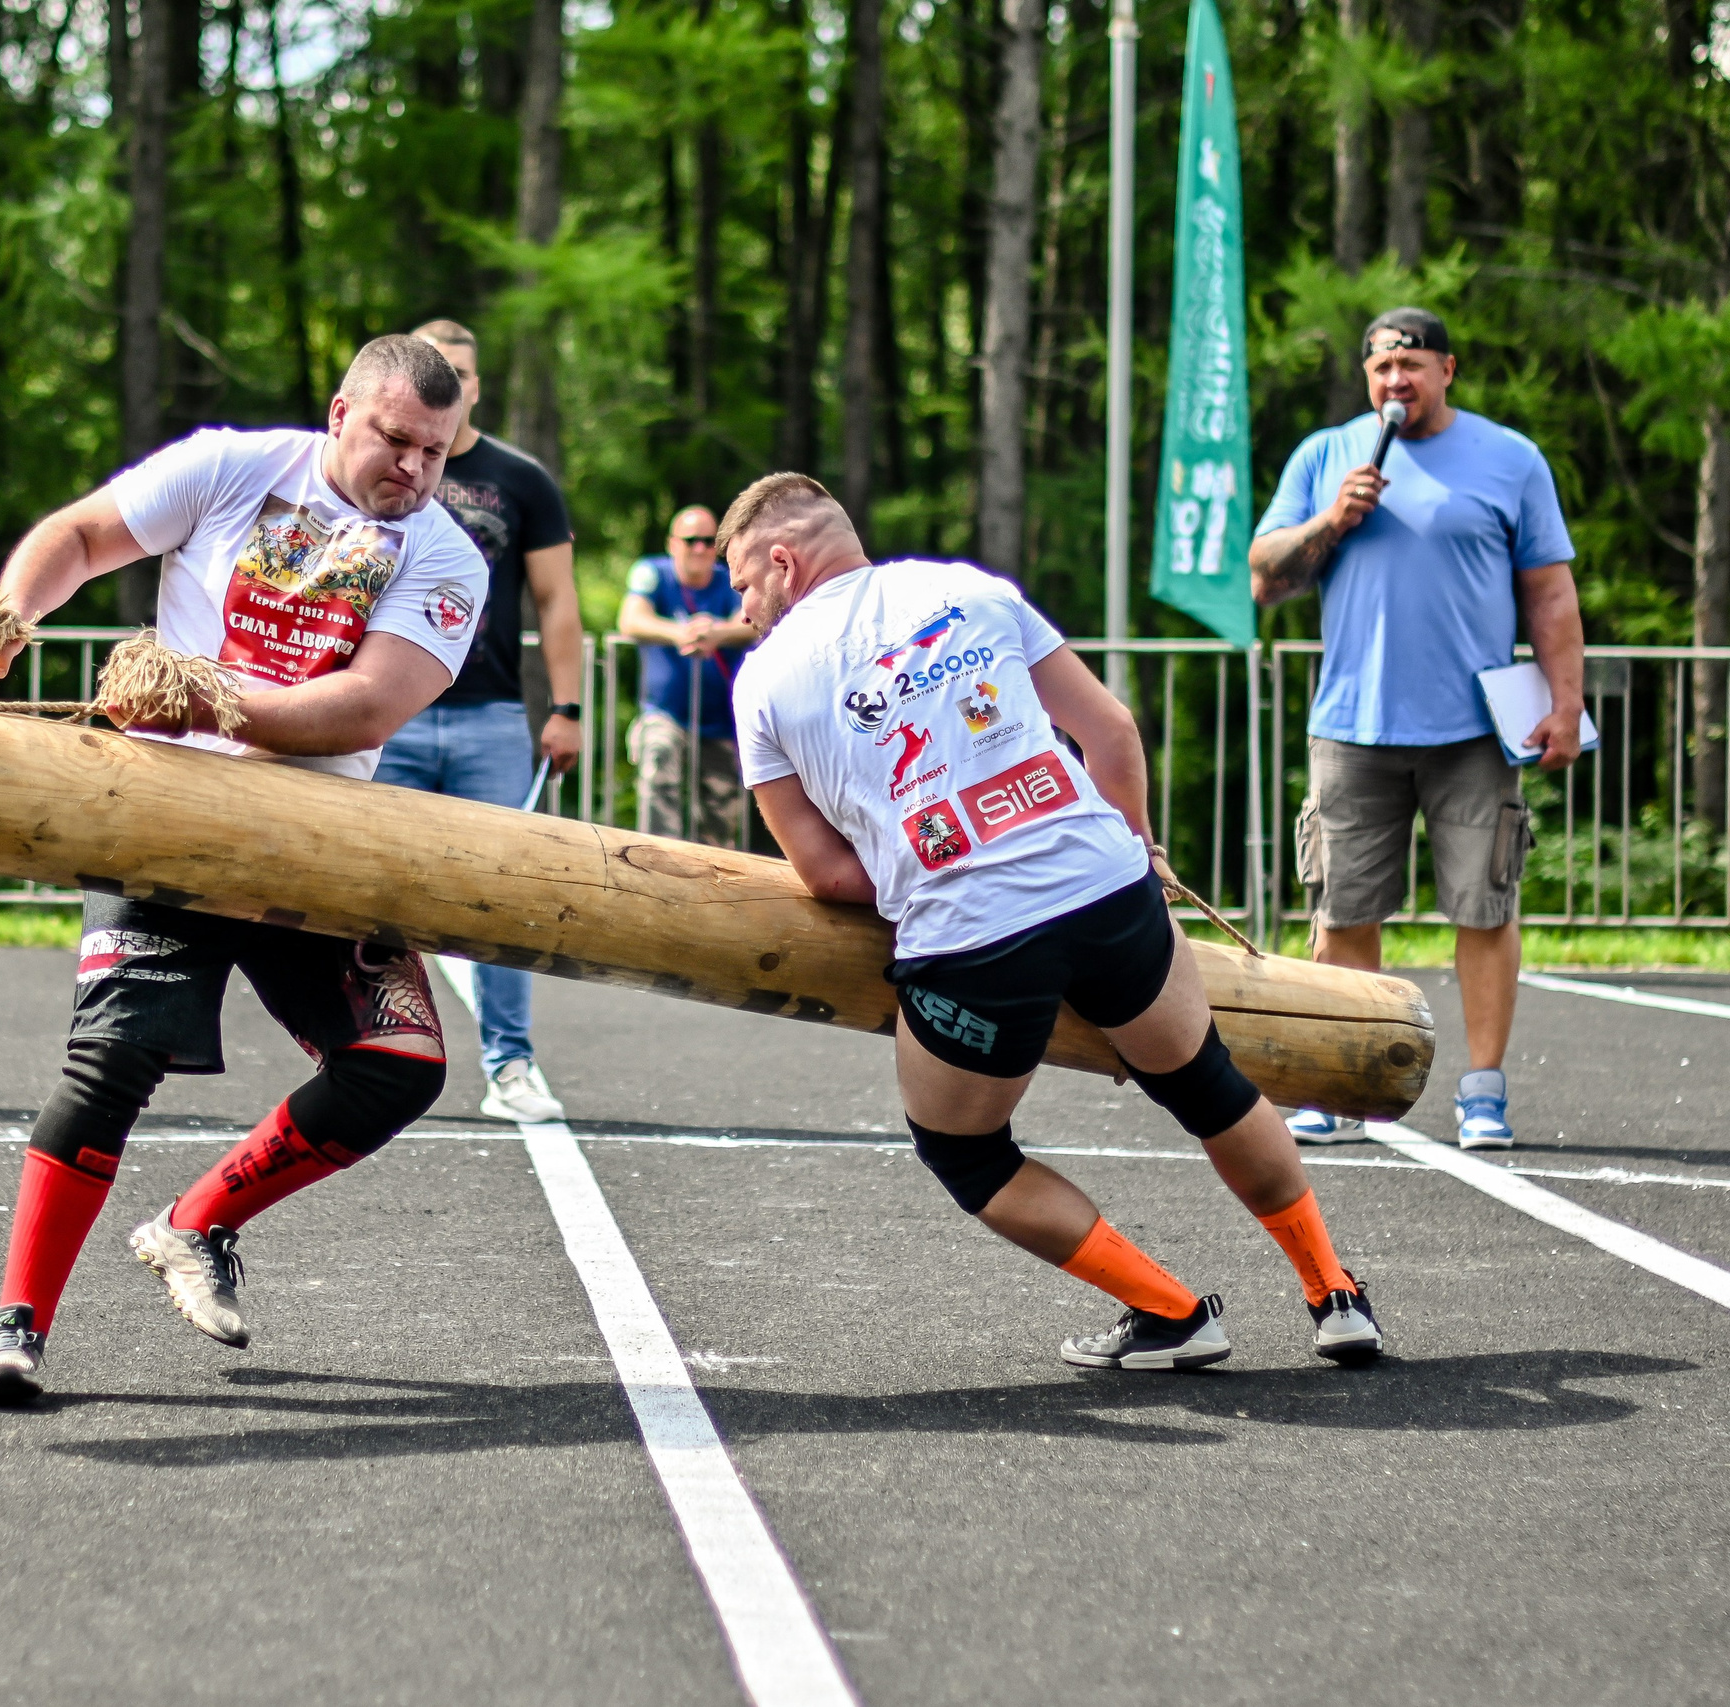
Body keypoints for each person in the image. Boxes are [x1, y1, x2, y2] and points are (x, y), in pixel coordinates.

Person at [724, 472, 1381, 1370]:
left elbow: (827, 871)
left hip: (968, 937)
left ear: (783, 559)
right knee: (1206, 1083)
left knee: (966, 1154)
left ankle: (1174, 1313)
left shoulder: (763, 681)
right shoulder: (971, 589)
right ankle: (1334, 1292)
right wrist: (1141, 852)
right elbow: (1110, 732)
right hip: (1106, 887)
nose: (745, 607)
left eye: (743, 583)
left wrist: (936, 868)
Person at [0, 334, 488, 1402]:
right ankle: (13, 1327)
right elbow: (80, 534)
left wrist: (202, 702)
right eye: (395, 441)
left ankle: (197, 1225)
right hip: (164, 819)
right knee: (111, 1064)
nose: (414, 472)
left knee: (402, 1062)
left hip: (316, 839)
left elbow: (367, 704)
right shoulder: (232, 466)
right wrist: (12, 612)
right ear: (340, 414)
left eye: (436, 452)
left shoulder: (447, 557)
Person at [1251, 308, 1583, 1150]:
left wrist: (1567, 703)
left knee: (1484, 906)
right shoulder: (1328, 455)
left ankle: (1482, 1092)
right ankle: (1340, 1080)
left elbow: (1549, 590)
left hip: (1474, 729)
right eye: (1381, 369)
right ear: (1367, 380)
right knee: (1343, 909)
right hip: (1353, 727)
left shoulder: (1511, 458)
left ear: (1448, 369)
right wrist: (1331, 521)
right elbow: (1265, 579)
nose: (1396, 381)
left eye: (1413, 365)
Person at [373, 320, 583, 1126]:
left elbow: (558, 600)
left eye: (458, 373)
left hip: (492, 712)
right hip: (385, 712)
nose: (447, 384)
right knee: (372, 888)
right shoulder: (379, 468)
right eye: (432, 369)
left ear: (476, 385)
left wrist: (566, 707)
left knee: (506, 896)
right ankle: (373, 1051)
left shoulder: (520, 480)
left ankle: (511, 1062)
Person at [616, 504, 756, 846]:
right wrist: (680, 633)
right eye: (691, 540)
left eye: (709, 541)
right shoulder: (652, 573)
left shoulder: (729, 580)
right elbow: (631, 620)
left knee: (720, 826)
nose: (700, 549)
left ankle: (713, 890)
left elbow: (754, 620)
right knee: (658, 766)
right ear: (672, 543)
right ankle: (655, 866)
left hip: (721, 722)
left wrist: (718, 633)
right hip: (664, 715)